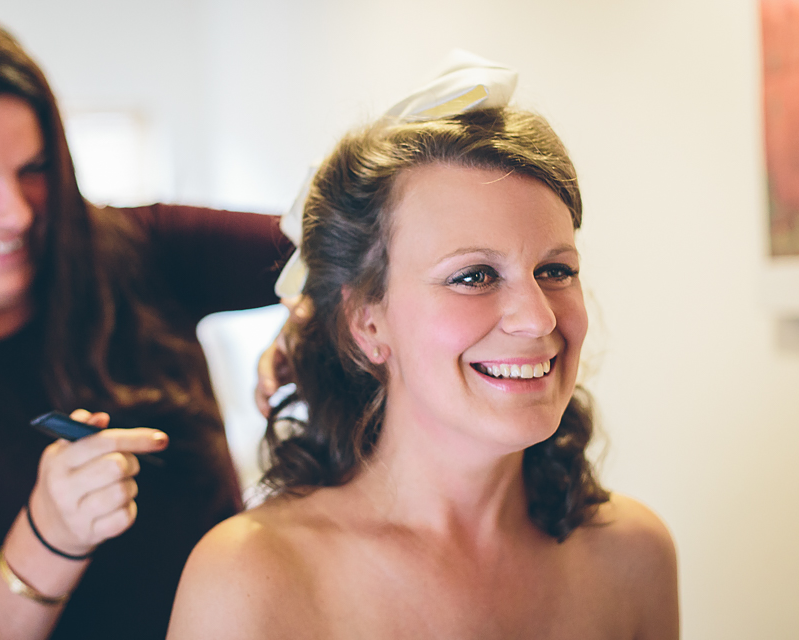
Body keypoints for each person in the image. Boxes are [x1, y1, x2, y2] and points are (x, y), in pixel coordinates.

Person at [0, 15, 292, 640]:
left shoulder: (137, 248)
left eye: (34, 169)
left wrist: (308, 313)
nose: (18, 212)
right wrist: (47, 538)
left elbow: (335, 244)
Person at [166, 94, 679, 636]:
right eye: (474, 276)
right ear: (367, 322)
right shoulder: (250, 579)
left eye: (555, 270)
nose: (537, 319)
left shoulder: (634, 558)